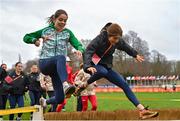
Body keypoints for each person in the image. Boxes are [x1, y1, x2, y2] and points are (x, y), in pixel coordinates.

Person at [75, 23, 158, 119]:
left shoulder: (117, 40)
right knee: (102, 72)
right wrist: (87, 66)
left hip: (106, 66)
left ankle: (142, 110)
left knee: (124, 83)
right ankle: (85, 84)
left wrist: (135, 55)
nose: (116, 41)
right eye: (114, 39)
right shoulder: (100, 38)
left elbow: (126, 47)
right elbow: (89, 50)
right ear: (108, 35)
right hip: (93, 64)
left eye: (118, 39)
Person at [23, 9, 85, 109]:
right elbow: (26, 37)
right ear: (54, 19)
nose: (63, 23)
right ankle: (65, 84)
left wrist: (79, 49)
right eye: (60, 20)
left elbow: (78, 44)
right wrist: (34, 40)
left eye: (65, 21)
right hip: (45, 63)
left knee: (60, 99)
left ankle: (45, 101)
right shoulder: (45, 31)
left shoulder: (68, 33)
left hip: (56, 69)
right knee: (61, 57)